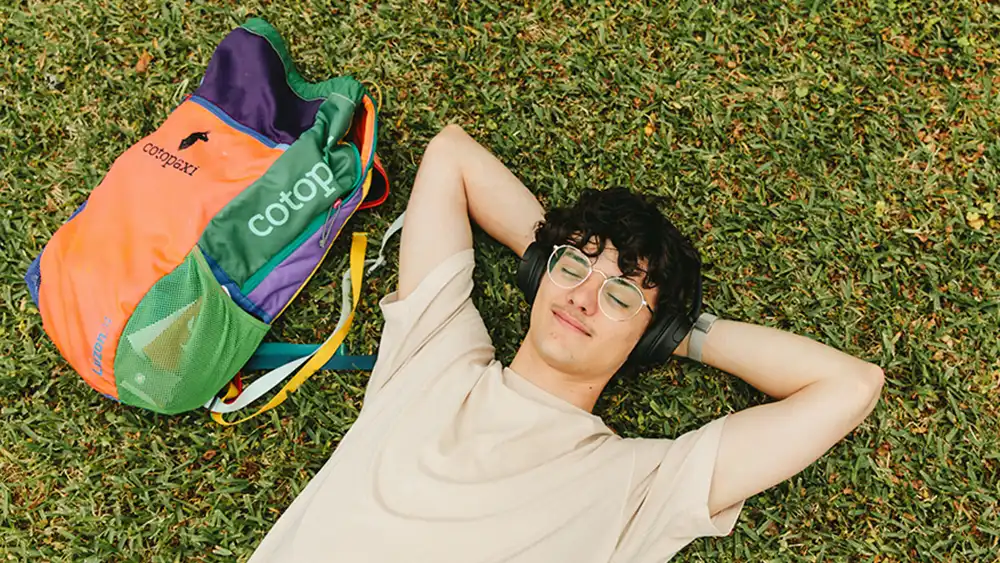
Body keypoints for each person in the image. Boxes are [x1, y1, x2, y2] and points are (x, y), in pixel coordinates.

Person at [246, 124, 885, 563]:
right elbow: (451, 156)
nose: (583, 297)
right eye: (575, 269)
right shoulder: (435, 356)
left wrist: (677, 334)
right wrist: (555, 250)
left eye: (621, 296)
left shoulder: (636, 484)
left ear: (650, 334)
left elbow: (850, 386)